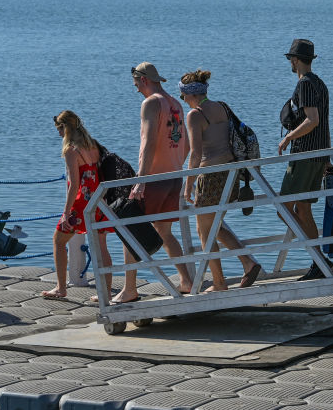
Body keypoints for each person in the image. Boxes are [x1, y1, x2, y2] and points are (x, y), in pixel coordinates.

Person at [114, 62, 193, 304]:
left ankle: (129, 289)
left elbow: (148, 143)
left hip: (154, 178)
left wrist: (141, 180)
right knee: (165, 233)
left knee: (130, 227)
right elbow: (187, 144)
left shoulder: (151, 103)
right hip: (173, 177)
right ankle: (187, 280)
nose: (136, 89)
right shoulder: (176, 103)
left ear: (144, 79)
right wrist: (175, 164)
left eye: (136, 83)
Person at [178, 70, 262, 291]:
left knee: (204, 231)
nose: (183, 100)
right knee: (213, 226)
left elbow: (196, 154)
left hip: (211, 175)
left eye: (182, 95)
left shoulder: (195, 115)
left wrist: (188, 184)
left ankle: (219, 283)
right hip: (231, 173)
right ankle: (247, 262)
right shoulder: (222, 107)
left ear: (190, 94)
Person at [42, 111, 113, 300]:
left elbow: (74, 184)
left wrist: (66, 213)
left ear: (65, 128)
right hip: (99, 200)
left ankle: (60, 288)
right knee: (101, 246)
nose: (58, 134)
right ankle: (105, 292)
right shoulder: (92, 145)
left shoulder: (71, 150)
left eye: (59, 129)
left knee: (58, 241)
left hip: (81, 203)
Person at [278, 39, 332, 280]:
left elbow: (313, 120)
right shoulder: (320, 83)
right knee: (304, 209)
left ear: (296, 60)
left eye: (291, 59)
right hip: (319, 154)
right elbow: (325, 123)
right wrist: (327, 156)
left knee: (284, 208)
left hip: (304, 154)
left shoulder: (305, 85)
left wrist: (288, 137)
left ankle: (318, 257)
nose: (290, 62)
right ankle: (319, 261)